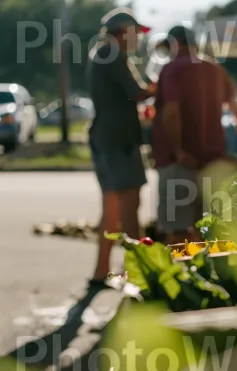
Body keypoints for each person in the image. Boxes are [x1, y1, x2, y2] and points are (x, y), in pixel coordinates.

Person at [152, 25, 237, 245]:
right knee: (209, 230)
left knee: (178, 232)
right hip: (213, 164)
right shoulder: (214, 68)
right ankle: (205, 274)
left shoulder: (172, 69)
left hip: (181, 163)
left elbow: (172, 111)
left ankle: (183, 277)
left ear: (175, 44)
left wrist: (178, 150)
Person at [87, 8, 154, 288]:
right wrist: (166, 85)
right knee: (130, 206)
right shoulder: (113, 54)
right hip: (119, 142)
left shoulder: (103, 53)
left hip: (106, 138)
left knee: (112, 209)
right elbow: (138, 93)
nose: (138, 38)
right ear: (124, 31)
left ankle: (101, 272)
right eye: (135, 32)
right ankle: (139, 272)